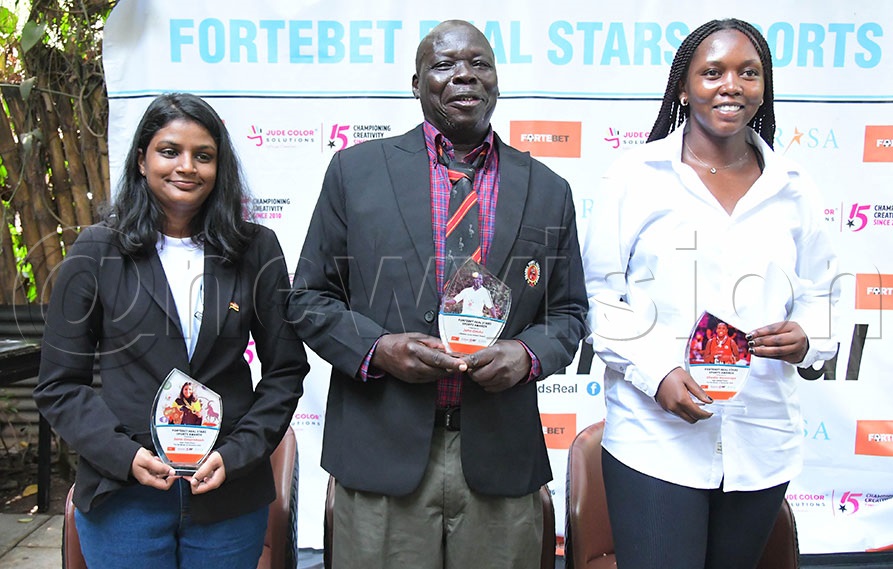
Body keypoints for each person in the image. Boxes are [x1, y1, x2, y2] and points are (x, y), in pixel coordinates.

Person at [287, 19, 587, 569]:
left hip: (499, 456)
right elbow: (309, 299)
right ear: (417, 82)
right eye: (444, 65)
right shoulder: (355, 172)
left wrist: (527, 355)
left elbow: (568, 313)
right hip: (382, 453)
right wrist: (378, 350)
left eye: (479, 63)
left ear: (496, 80)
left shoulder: (548, 189)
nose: (464, 76)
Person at [581, 19, 840, 569]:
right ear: (683, 86)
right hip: (655, 439)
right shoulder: (636, 176)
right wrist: (657, 374)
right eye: (712, 72)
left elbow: (823, 294)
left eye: (749, 73)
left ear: (763, 87)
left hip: (760, 437)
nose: (732, 85)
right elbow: (601, 295)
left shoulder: (794, 188)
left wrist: (807, 339)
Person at [34, 93, 308, 569]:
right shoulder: (96, 251)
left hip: (227, 496)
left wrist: (239, 453)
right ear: (141, 160)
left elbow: (285, 370)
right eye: (169, 151)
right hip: (125, 497)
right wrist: (122, 455)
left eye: (203, 156)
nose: (187, 166)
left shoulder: (255, 249)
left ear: (219, 168)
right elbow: (59, 385)